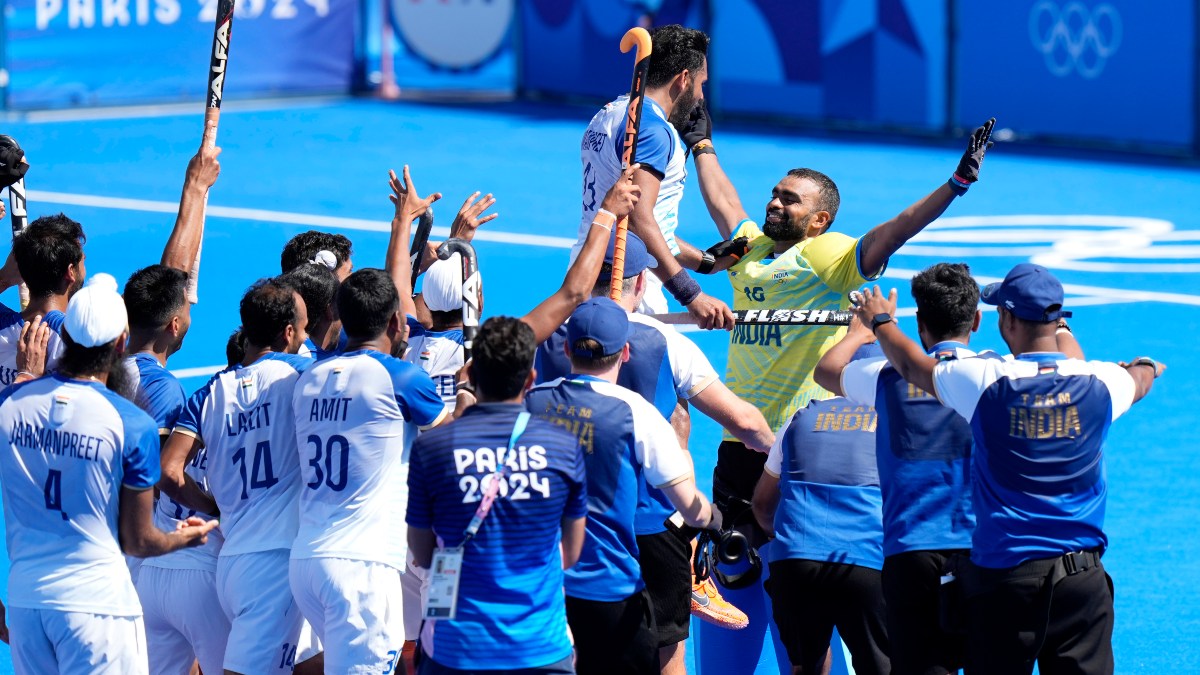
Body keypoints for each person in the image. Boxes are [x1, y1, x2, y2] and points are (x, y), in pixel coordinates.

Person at [679, 106, 997, 672]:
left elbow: (891, 233)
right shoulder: (750, 250)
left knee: (800, 609)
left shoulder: (825, 256)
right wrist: (702, 143)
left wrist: (955, 186)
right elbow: (725, 202)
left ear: (820, 220)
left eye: (789, 200)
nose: (775, 203)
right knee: (731, 583)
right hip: (740, 448)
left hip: (806, 451)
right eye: (774, 193)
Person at [849, 263, 1163, 675]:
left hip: (1007, 582)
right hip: (1082, 579)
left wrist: (881, 321)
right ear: (1056, 318)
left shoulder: (985, 381)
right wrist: (1144, 364)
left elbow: (910, 366)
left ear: (1007, 319)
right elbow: (1140, 377)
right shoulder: (1102, 382)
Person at [535, 229, 774, 670]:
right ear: (643, 282)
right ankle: (693, 579)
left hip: (556, 527)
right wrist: (781, 454)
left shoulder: (546, 338)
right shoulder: (666, 342)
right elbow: (743, 423)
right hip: (651, 526)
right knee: (667, 652)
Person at [0, 273, 217, 673]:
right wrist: (184, 539)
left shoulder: (9, 407)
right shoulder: (131, 424)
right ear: (121, 343)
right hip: (95, 607)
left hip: (27, 601)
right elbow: (138, 540)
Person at [290, 166, 449, 672]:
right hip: (370, 565)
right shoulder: (401, 380)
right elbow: (453, 439)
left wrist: (403, 224)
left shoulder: (309, 376)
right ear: (396, 322)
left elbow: (385, 302)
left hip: (307, 560)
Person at [526, 297, 722, 675]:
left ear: (565, 349)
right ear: (626, 352)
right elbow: (687, 506)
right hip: (609, 588)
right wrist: (713, 517)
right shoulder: (639, 414)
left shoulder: (531, 402)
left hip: (542, 585)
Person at [812, 263, 985, 675]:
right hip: (982, 551)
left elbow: (825, 373)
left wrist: (860, 333)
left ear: (920, 323)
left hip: (911, 552)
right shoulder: (997, 374)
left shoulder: (883, 376)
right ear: (977, 320)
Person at [407, 315, 589, 675]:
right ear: (531, 379)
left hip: (454, 650)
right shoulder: (563, 447)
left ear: (471, 378)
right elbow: (571, 552)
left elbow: (424, 554)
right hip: (541, 647)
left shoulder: (433, 451)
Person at [158, 279, 323, 675]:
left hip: (234, 561)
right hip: (274, 566)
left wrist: (211, 505)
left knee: (316, 664)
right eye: (302, 329)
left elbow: (168, 470)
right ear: (288, 334)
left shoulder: (208, 394)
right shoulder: (303, 374)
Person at [578, 23, 733, 327]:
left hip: (590, 265)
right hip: (630, 279)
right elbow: (637, 218)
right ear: (683, 79)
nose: (701, 97)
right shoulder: (653, 131)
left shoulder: (607, 113)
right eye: (702, 84)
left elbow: (643, 220)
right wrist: (691, 295)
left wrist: (706, 262)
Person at [752, 348, 890, 675]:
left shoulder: (800, 416)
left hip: (795, 561)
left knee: (805, 668)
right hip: (866, 562)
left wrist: (788, 538)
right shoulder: (894, 419)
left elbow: (761, 504)